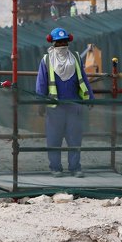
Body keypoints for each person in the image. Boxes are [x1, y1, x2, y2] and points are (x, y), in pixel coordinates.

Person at [36, 27, 94, 178]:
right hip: (55, 107)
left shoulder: (75, 57)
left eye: (64, 42)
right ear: (53, 43)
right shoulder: (47, 60)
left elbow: (84, 79)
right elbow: (41, 83)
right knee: (54, 139)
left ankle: (75, 168)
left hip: (74, 105)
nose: (62, 45)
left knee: (74, 138)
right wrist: (40, 103)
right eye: (59, 42)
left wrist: (90, 98)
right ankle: (55, 168)